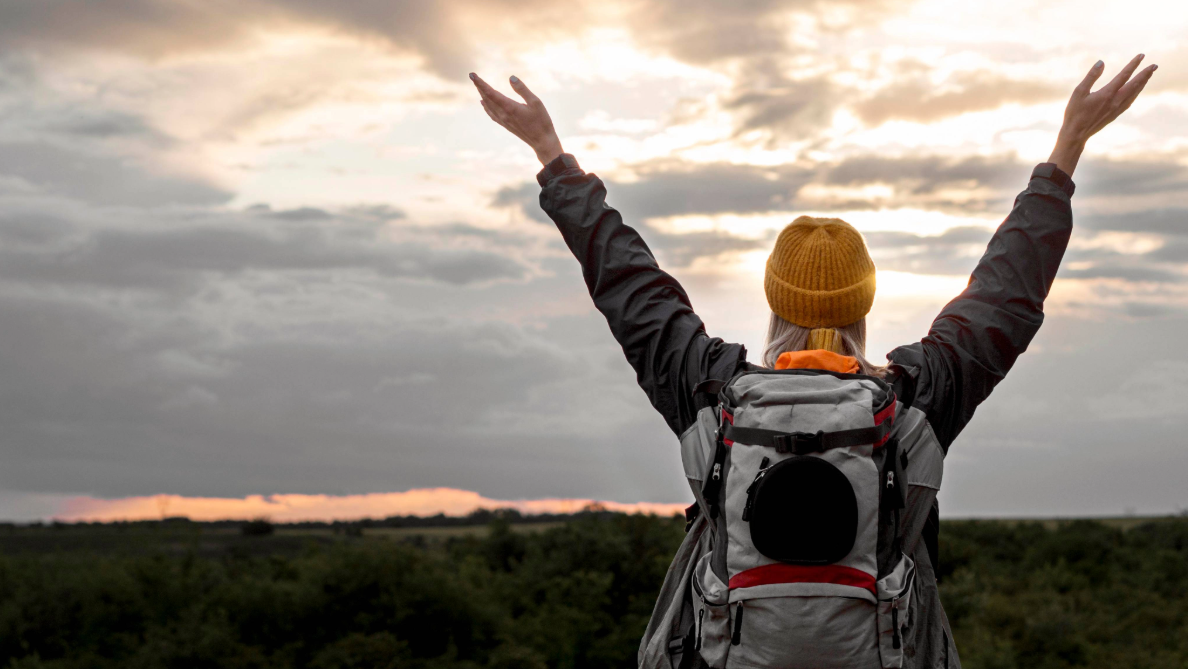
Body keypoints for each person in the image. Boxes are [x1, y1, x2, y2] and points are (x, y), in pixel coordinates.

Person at [471, 55, 1156, 668]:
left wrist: (551, 156)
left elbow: (630, 288)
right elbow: (1005, 293)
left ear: (773, 297)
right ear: (862, 304)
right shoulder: (914, 402)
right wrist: (1066, 149)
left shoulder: (711, 393)